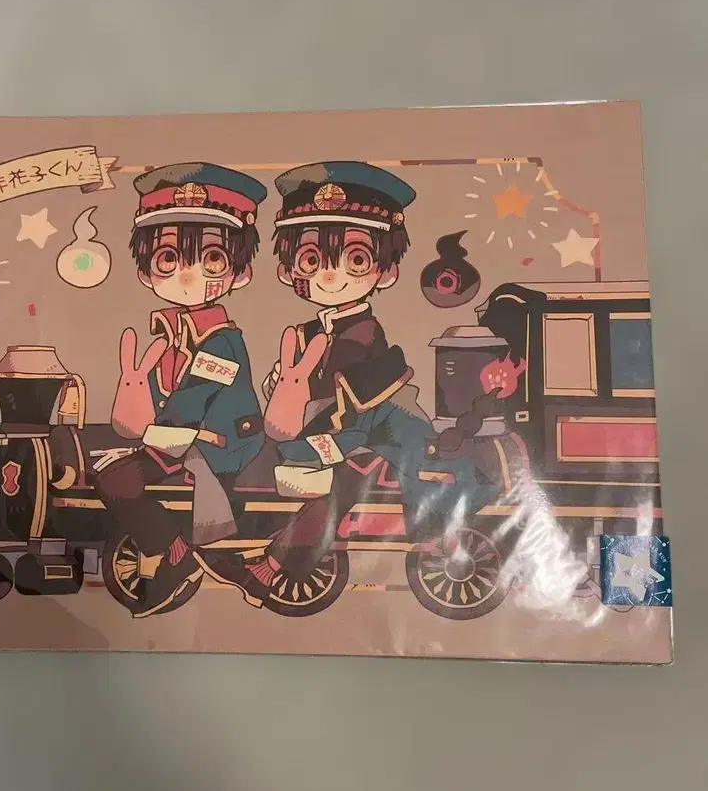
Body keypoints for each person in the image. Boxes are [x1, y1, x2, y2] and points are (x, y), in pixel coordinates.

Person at [226, 161, 498, 606]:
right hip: (348, 433)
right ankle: (270, 564)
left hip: (380, 434)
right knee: (330, 481)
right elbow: (294, 393)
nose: (330, 275)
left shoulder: (363, 334)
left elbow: (356, 411)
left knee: (345, 482)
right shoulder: (307, 333)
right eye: (311, 260)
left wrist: (313, 439)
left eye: (355, 259)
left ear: (385, 272)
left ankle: (274, 565)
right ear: (288, 271)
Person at [89, 163, 267, 615]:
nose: (187, 275)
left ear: (241, 273)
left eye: (212, 260)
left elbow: (193, 399)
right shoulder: (170, 335)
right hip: (183, 437)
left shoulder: (221, 339)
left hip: (219, 443)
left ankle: (175, 555)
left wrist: (149, 447)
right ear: (146, 273)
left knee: (115, 480)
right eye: (169, 259)